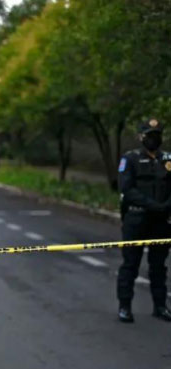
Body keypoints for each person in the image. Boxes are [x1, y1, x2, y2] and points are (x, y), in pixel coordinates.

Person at [116, 118, 171, 323]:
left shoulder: (168, 159)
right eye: (149, 135)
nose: (153, 139)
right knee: (130, 263)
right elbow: (127, 189)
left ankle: (160, 306)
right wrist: (152, 204)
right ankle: (125, 306)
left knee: (159, 266)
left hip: (161, 220)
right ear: (141, 137)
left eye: (157, 135)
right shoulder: (130, 159)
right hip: (136, 218)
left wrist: (165, 206)